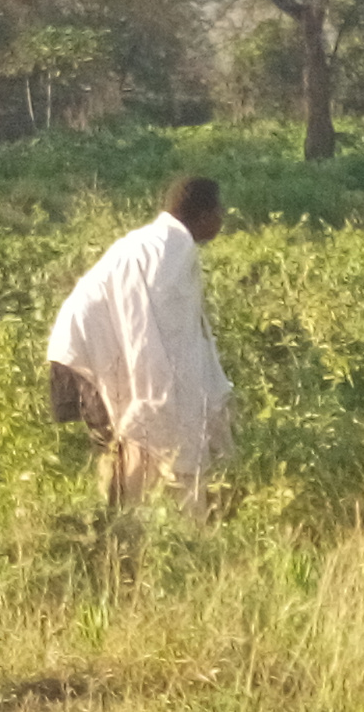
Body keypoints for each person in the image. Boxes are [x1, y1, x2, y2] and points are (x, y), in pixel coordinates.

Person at [47, 176, 232, 518]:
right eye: (220, 211)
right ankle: (121, 533)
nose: (223, 219)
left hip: (81, 346)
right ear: (204, 216)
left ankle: (126, 528)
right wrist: (158, 398)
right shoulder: (171, 252)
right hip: (89, 353)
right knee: (137, 434)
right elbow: (155, 335)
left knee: (140, 431)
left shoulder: (159, 242)